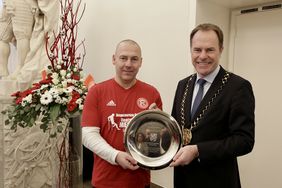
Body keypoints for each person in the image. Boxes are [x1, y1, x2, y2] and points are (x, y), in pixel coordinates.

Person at [169, 23, 255, 188]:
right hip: (183, 179)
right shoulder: (183, 84)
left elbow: (244, 141)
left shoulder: (238, 86)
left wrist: (198, 150)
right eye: (197, 50)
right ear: (191, 50)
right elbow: (177, 131)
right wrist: (157, 121)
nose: (202, 56)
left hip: (217, 180)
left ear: (221, 49)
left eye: (210, 50)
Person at [81, 39, 162, 188]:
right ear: (114, 59)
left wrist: (157, 126)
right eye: (123, 58)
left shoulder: (152, 93)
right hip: (104, 181)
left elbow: (156, 143)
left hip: (140, 182)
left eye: (134, 59)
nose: (128, 64)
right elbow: (88, 135)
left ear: (141, 62)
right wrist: (115, 156)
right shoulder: (97, 92)